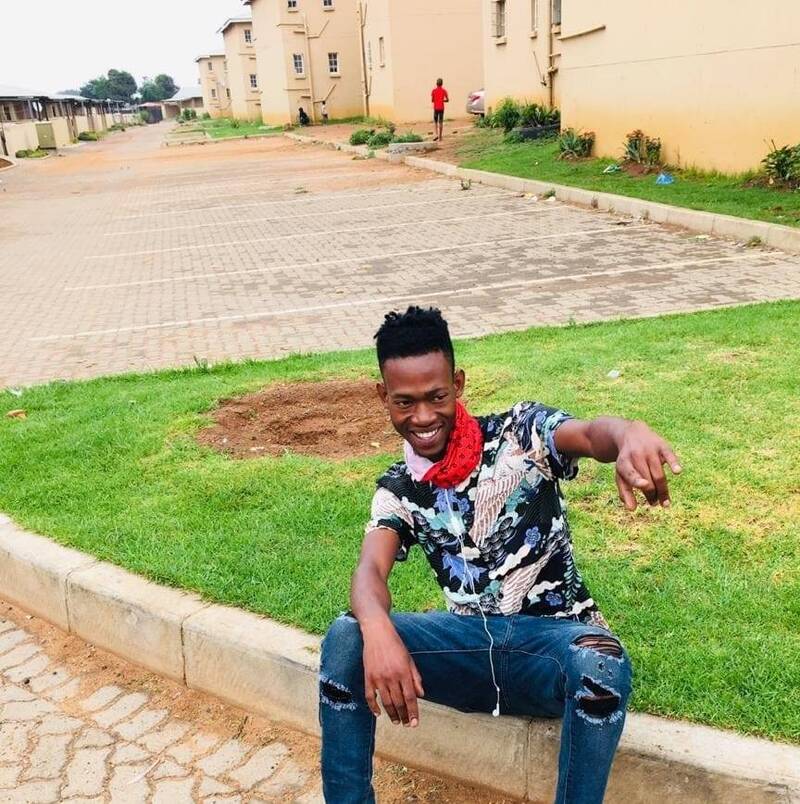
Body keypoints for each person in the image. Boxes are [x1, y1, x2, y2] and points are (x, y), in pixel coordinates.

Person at [319, 306, 683, 804]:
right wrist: (377, 629)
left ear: (458, 385)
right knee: (348, 636)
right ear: (383, 396)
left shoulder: (519, 435)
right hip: (469, 652)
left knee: (601, 662)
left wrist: (628, 433)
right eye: (404, 402)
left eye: (436, 396)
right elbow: (370, 569)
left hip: (551, 651)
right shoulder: (399, 488)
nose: (422, 417)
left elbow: (589, 435)